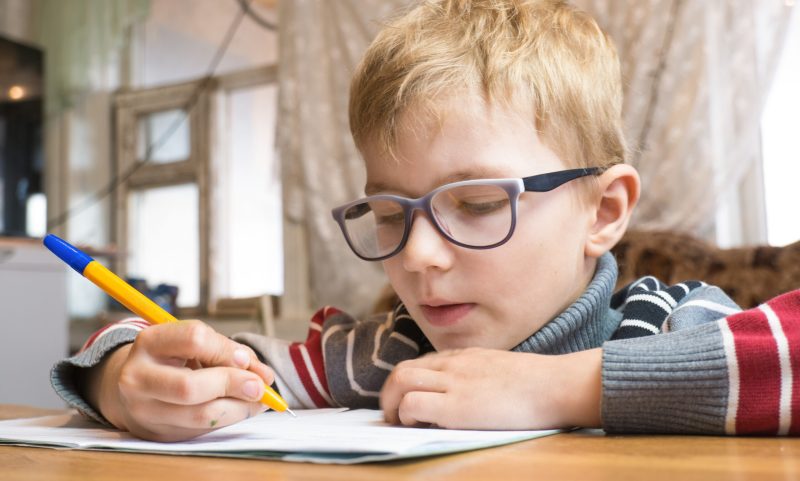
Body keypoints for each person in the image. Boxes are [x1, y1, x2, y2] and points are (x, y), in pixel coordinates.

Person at [52, 0, 800, 442]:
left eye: (476, 204)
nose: (417, 257)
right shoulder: (386, 351)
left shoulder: (676, 323)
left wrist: (556, 388)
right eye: (388, 213)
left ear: (602, 211)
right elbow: (206, 358)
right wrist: (122, 378)